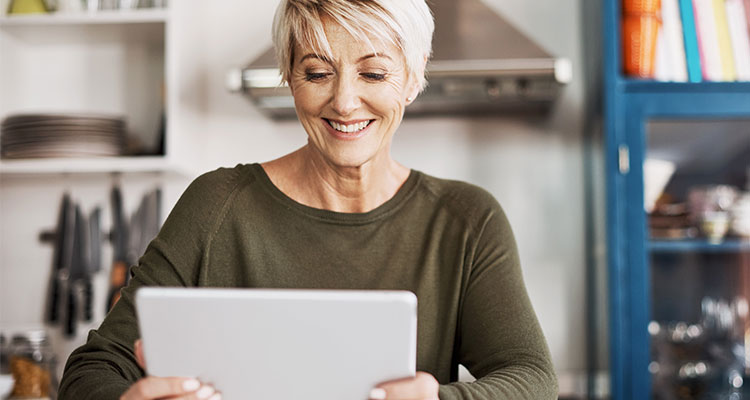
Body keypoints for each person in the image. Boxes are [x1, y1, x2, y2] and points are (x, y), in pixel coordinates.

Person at [58, 0, 558, 399]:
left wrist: (440, 399)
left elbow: (531, 378)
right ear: (289, 77)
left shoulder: (466, 220)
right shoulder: (215, 206)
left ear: (412, 75)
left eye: (374, 73)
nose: (343, 101)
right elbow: (92, 371)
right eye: (318, 73)